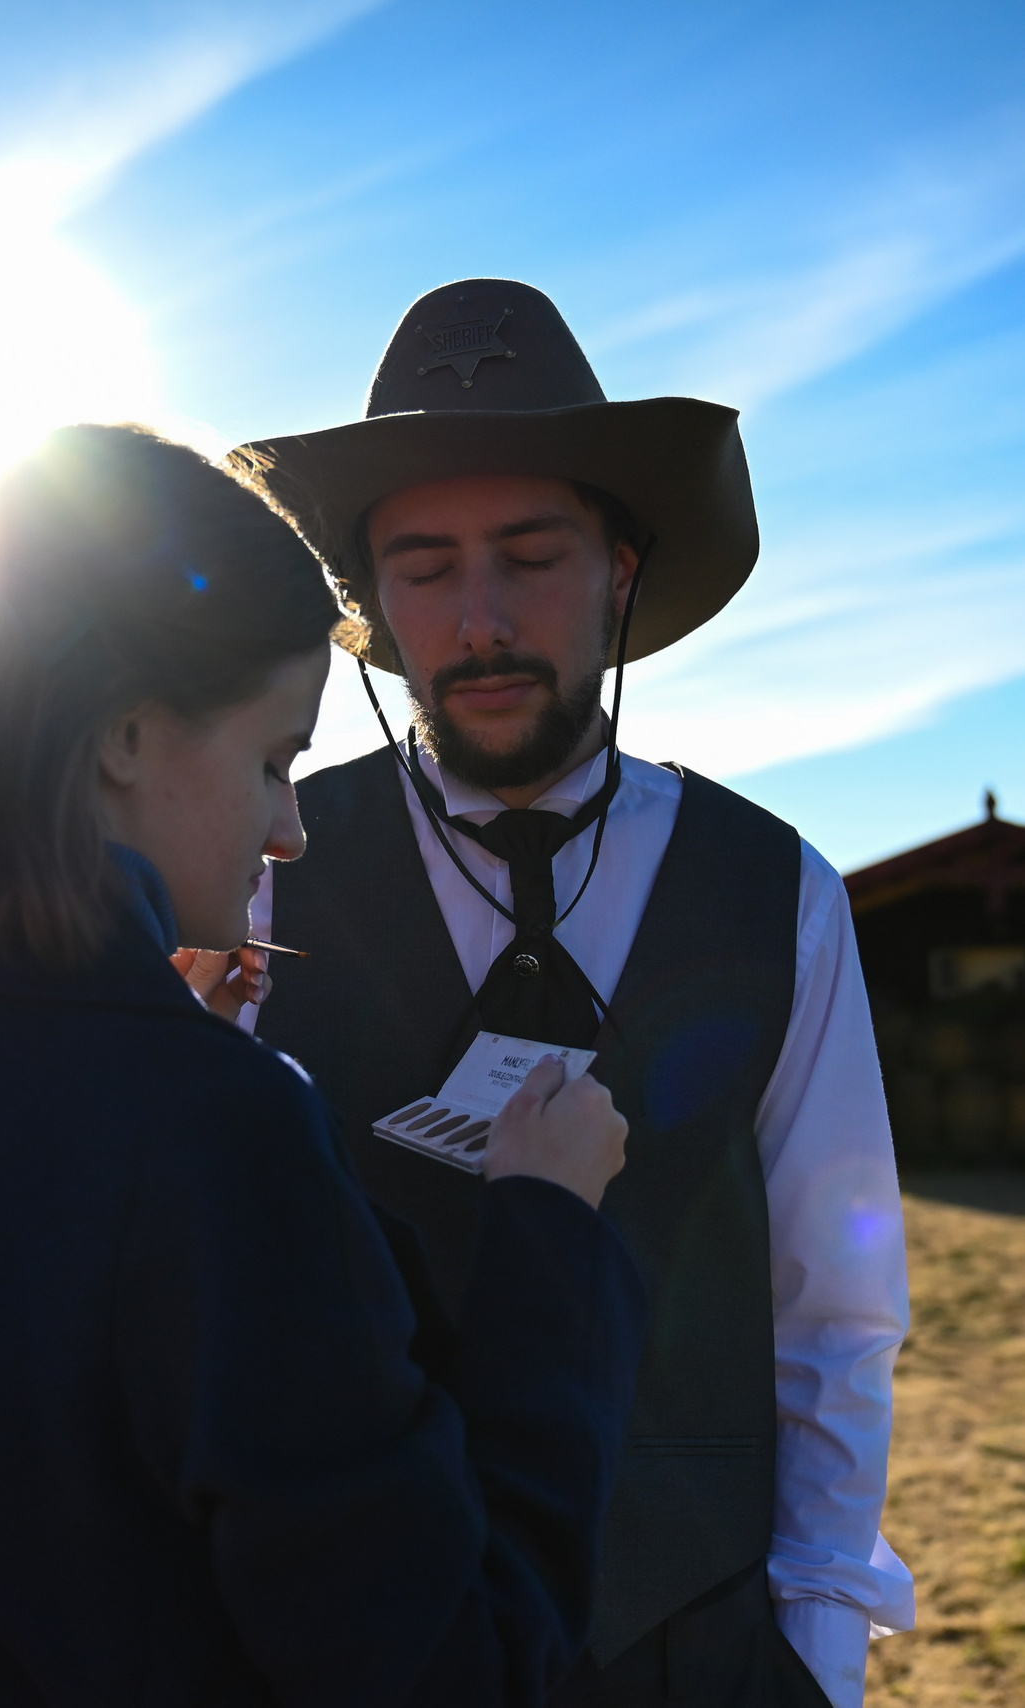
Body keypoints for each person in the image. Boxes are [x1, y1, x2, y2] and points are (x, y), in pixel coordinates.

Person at [0, 423, 647, 1706]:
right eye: (271, 758)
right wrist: (547, 1231)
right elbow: (450, 1664)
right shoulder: (211, 1132)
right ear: (127, 733)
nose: (290, 828)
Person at [243, 279, 916, 1708]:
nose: (478, 619)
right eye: (424, 567)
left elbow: (833, 1308)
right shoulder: (263, 876)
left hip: (703, 1649)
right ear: (370, 605)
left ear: (616, 571)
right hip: (362, 1650)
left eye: (529, 555)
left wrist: (812, 1654)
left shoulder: (775, 889)